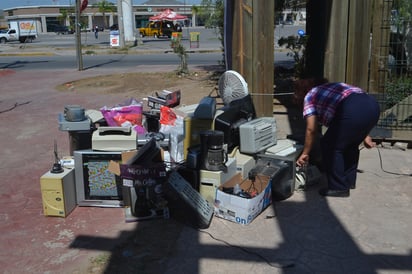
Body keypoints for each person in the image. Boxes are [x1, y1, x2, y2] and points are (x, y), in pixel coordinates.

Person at [295, 79, 380, 197]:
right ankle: (349, 181)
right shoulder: (329, 89)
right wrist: (365, 135)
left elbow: (311, 129)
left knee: (329, 145)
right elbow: (356, 115)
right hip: (373, 106)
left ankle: (338, 187)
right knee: (350, 144)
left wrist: (305, 152)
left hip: (353, 108)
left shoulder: (310, 96)